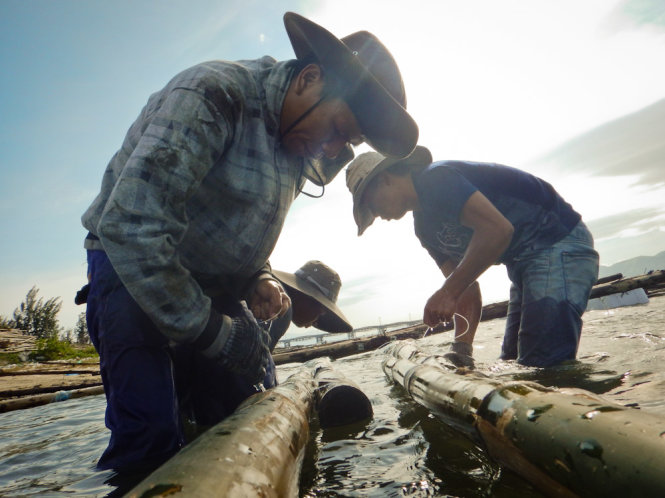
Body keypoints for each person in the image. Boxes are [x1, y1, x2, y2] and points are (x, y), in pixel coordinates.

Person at [80, 11, 418, 473]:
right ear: (310, 78)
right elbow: (132, 226)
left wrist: (257, 275)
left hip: (216, 287)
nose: (333, 149)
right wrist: (215, 334)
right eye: (339, 130)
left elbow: (239, 233)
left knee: (245, 423)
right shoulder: (214, 93)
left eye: (348, 143)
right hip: (129, 268)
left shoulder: (301, 146)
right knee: (151, 436)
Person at [346, 146, 599, 368]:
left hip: (557, 239)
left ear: (385, 180)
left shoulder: (436, 179)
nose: (375, 214)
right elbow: (464, 287)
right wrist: (461, 350)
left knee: (543, 363)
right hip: (523, 264)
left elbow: (497, 230)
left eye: (370, 203)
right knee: (514, 363)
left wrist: (447, 292)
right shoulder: (423, 229)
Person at [268, 260, 353, 350]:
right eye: (323, 309)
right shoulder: (279, 314)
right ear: (306, 296)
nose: (315, 321)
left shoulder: (270, 293)